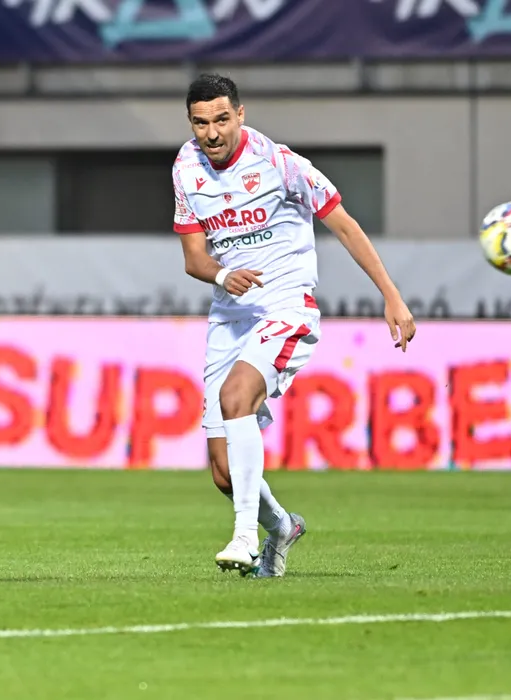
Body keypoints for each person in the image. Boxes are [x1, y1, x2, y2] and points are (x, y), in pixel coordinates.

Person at [173, 74, 416, 577]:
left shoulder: (281, 164)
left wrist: (391, 295)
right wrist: (221, 275)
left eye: (222, 119)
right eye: (201, 123)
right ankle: (281, 527)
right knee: (223, 473)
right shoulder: (186, 167)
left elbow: (344, 224)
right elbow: (194, 258)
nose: (212, 133)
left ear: (241, 114)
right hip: (230, 316)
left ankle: (244, 537)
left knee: (236, 397)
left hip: (285, 307)